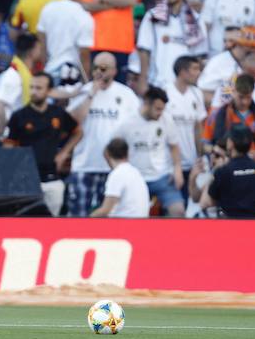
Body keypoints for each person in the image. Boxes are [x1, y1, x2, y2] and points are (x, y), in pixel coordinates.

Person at [66, 52, 141, 216]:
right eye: (96, 67)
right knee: (78, 214)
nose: (100, 71)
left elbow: (136, 127)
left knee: (107, 216)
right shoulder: (83, 92)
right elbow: (73, 121)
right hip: (84, 163)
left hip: (112, 166)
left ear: (114, 71)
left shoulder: (126, 95)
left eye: (105, 68)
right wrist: (91, 93)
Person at [4, 73, 80, 216]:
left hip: (52, 177)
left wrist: (64, 153)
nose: (34, 92)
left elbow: (77, 132)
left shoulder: (58, 114)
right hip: (26, 179)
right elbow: (8, 147)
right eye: (31, 87)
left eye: (39, 88)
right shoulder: (19, 116)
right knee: (27, 220)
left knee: (52, 220)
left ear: (49, 91)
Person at [114, 86, 185, 217]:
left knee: (178, 211)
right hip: (135, 178)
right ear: (146, 103)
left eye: (162, 109)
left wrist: (177, 169)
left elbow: (174, 146)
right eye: (158, 109)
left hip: (162, 177)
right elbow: (113, 149)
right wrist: (121, 172)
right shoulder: (127, 123)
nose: (160, 113)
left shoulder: (166, 120)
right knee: (134, 215)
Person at [136, 0, 208, 90]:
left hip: (183, 86)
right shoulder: (153, 16)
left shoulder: (196, 20)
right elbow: (144, 49)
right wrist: (143, 79)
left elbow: (199, 56)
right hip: (156, 81)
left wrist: (194, 81)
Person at [37, 0, 94, 85]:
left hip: (51, 71)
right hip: (71, 78)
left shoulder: (49, 8)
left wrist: (45, 67)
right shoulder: (86, 17)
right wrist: (85, 83)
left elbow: (41, 43)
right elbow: (84, 54)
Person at [163, 55, 207, 203]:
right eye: (194, 69)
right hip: (168, 164)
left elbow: (198, 128)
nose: (198, 72)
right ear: (182, 72)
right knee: (173, 208)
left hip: (191, 161)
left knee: (190, 205)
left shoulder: (197, 93)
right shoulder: (165, 92)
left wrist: (200, 155)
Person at [203, 125, 255, 218]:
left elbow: (207, 202)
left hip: (230, 224)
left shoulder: (223, 171)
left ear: (230, 143)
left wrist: (213, 173)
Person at [0, 33, 44, 134]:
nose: (41, 52)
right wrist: (3, 129)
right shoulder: (13, 75)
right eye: (39, 49)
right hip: (13, 133)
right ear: (32, 52)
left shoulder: (24, 73)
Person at [89, 138, 150, 218]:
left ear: (107, 154)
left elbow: (105, 210)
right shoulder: (135, 172)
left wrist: (87, 219)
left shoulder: (117, 174)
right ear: (127, 154)